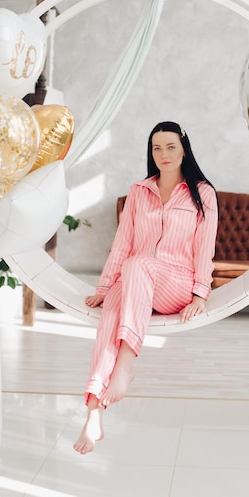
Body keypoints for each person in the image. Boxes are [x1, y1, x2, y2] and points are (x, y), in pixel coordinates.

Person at [73, 121, 218, 454]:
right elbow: (122, 243)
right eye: (157, 148)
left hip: (176, 284)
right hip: (136, 280)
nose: (163, 154)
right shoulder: (139, 191)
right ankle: (94, 412)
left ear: (184, 149)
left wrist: (200, 294)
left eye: (170, 147)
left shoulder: (203, 193)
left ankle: (125, 364)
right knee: (113, 307)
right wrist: (105, 287)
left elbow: (204, 247)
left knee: (137, 265)